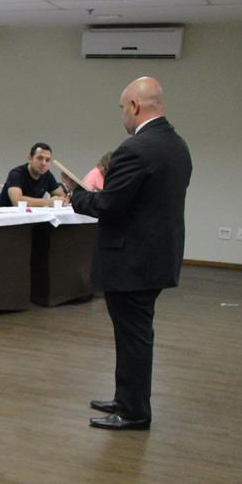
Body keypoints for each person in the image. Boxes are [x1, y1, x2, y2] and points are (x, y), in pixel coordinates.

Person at [66, 77, 191, 431]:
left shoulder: (135, 149)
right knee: (134, 334)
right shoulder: (177, 145)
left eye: (123, 108)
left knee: (133, 337)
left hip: (132, 261)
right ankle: (126, 399)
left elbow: (110, 205)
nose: (122, 115)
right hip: (156, 257)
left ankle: (134, 411)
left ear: (134, 107)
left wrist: (77, 195)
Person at [0, 143, 68, 208]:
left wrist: (64, 199)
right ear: (30, 159)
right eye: (40, 158)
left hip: (32, 215)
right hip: (9, 216)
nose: (44, 163)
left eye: (47, 160)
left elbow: (62, 196)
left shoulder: (47, 175)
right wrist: (48, 202)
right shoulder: (16, 174)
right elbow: (17, 201)